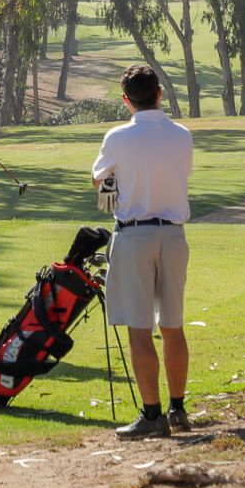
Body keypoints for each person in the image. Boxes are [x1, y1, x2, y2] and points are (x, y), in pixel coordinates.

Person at [91, 64, 194, 439]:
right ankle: (177, 408)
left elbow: (98, 178)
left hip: (134, 235)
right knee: (172, 326)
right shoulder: (182, 135)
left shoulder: (118, 136)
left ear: (126, 101)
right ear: (159, 94)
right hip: (174, 235)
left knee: (139, 328)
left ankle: (152, 416)